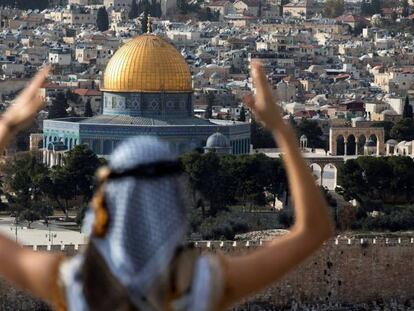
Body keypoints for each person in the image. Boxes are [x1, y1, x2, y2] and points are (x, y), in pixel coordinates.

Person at [0, 61, 333, 311]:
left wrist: (8, 123)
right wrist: (280, 129)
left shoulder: (75, 287)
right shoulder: (200, 287)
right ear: (175, 199)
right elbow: (313, 230)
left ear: (106, 201)